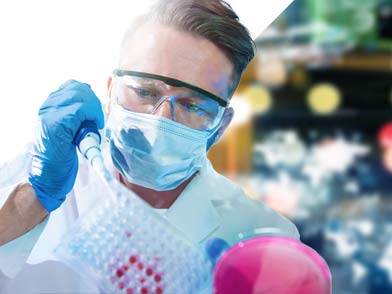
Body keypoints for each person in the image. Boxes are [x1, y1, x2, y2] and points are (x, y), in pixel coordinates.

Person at [0, 0, 299, 291]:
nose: (161, 121)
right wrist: (35, 198)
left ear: (220, 125)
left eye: (193, 106)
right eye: (144, 91)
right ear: (111, 92)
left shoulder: (264, 239)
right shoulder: (40, 170)